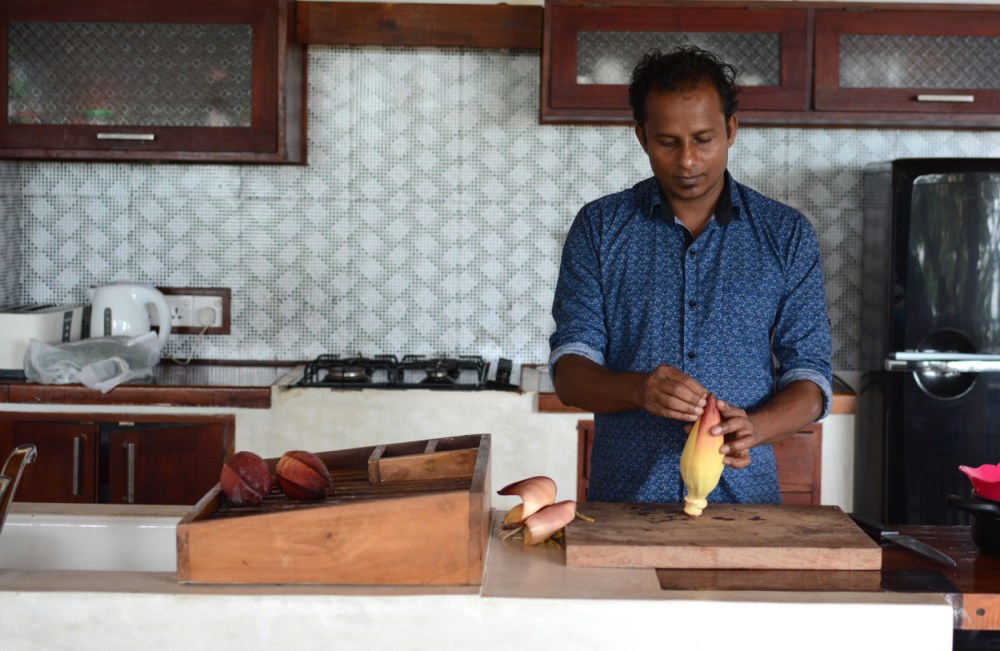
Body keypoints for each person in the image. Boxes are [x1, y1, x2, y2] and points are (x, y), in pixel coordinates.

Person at [548, 46, 832, 505]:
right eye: (667, 141)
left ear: (731, 130)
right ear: (641, 136)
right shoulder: (600, 228)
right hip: (627, 501)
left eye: (703, 139)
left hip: (747, 506)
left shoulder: (786, 234)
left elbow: (812, 377)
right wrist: (638, 389)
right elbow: (569, 373)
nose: (687, 161)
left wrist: (756, 428)